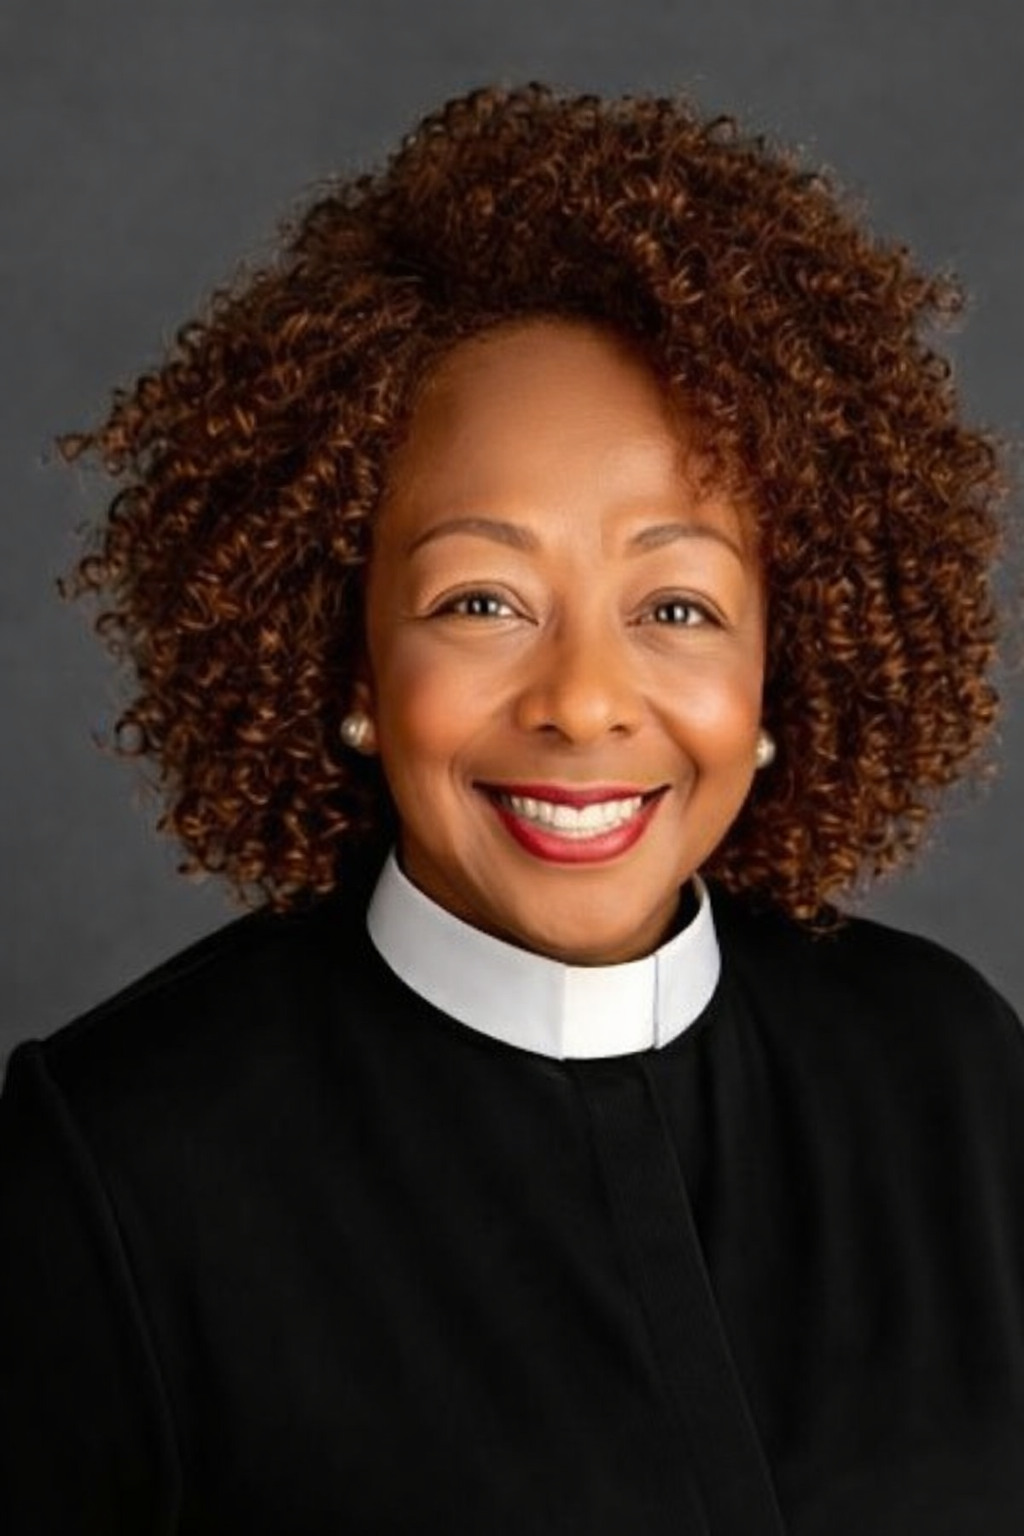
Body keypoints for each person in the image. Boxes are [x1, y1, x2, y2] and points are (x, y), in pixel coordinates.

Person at [1, 83, 1022, 1535]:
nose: (585, 702)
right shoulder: (117, 1164)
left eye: (677, 604)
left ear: (776, 671)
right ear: (354, 657)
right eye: (482, 599)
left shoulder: (953, 1072)